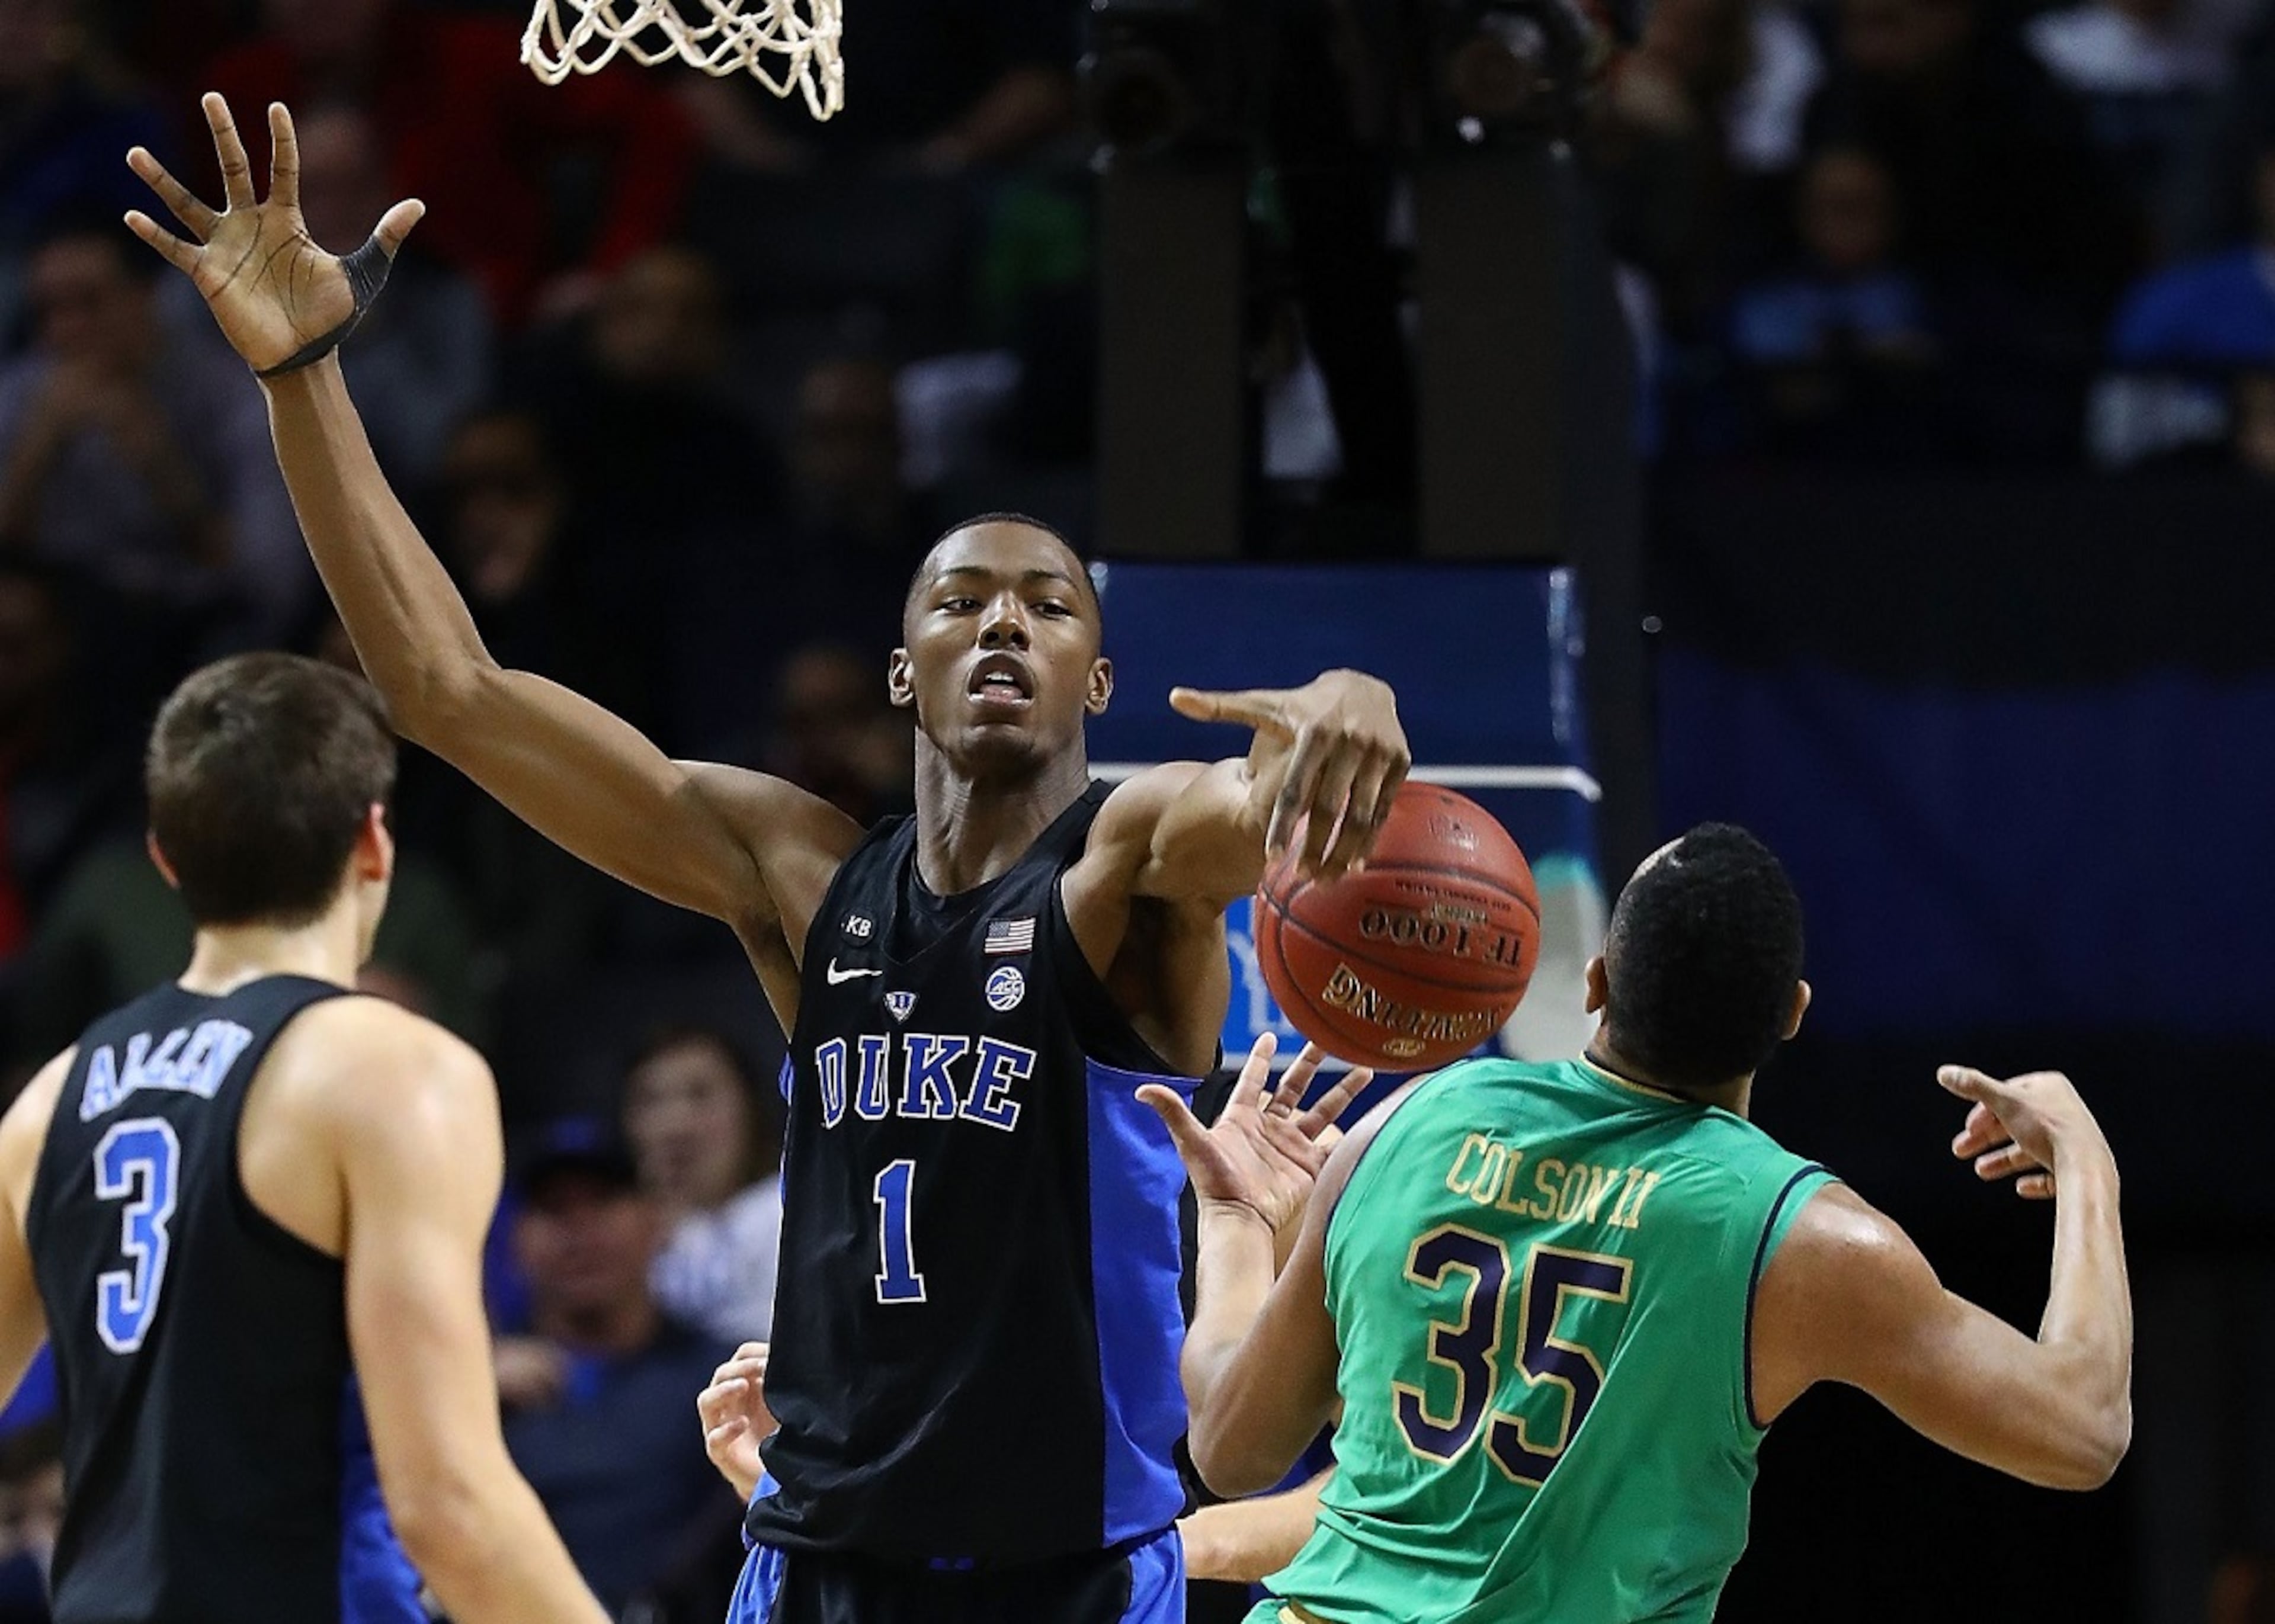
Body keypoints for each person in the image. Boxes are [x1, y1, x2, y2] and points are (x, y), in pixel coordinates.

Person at [127, 94, 1408, 1624]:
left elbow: (1231, 810)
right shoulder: (798, 871)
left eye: (1049, 606)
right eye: (962, 599)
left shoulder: (1121, 866)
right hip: (810, 1570)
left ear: (1101, 683)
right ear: (899, 670)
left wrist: (1350, 705)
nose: (1003, 619)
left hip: (1058, 1577)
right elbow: (448, 692)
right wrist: (302, 373)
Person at [1156, 823, 2132, 1623]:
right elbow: (2081, 1429)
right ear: (1791, 1014)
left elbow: (1229, 1448)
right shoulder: (1806, 1239)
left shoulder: (1407, 1124)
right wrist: (2088, 1162)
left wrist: (1238, 1222)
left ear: (1594, 985)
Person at [0, 651, 610, 1623]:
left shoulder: (50, 1100)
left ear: (167, 857)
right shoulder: (387, 1072)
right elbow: (450, 1509)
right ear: (374, 840)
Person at [499, 1119, 744, 1617]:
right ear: (517, 1239)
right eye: (554, 1210)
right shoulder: (475, 1388)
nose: (580, 1232)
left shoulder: (722, 1379)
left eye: (603, 1202)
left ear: (655, 1220)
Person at [620, 1026, 786, 1346]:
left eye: (701, 1095)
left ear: (750, 1109)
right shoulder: (619, 1238)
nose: (676, 1125)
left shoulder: (794, 1209)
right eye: (651, 1101)